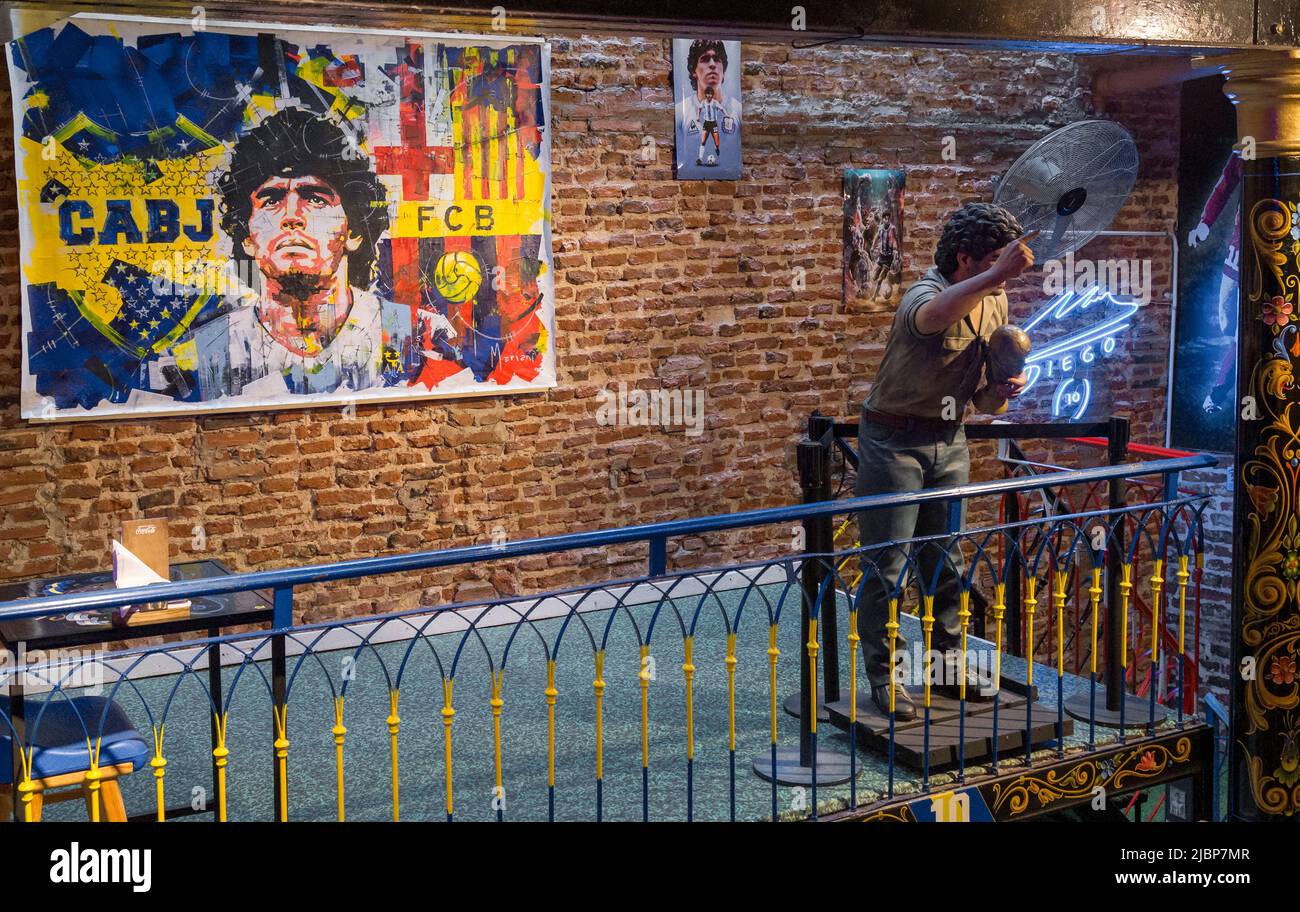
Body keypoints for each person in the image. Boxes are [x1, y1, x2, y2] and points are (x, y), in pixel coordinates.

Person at [855, 202, 1037, 719]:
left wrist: (1001, 388)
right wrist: (998, 276)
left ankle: (947, 671)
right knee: (887, 566)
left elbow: (984, 402)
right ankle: (885, 678)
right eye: (996, 261)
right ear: (965, 258)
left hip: (950, 437)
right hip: (894, 441)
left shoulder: (994, 303)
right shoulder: (926, 291)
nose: (1010, 271)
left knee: (946, 564)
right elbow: (930, 321)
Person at [187, 107, 457, 400]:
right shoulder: (197, 356)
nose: (292, 217)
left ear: (353, 231)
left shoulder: (421, 336)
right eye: (271, 200)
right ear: (246, 238)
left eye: (315, 198)